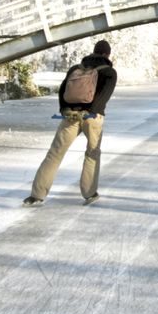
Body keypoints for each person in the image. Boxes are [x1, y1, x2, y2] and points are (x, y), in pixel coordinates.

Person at [24, 39, 116, 206]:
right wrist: (91, 111)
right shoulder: (109, 72)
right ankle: (89, 193)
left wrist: (64, 109)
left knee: (55, 153)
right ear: (107, 54)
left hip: (70, 116)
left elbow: (63, 90)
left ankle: (36, 195)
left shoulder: (76, 69)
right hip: (92, 118)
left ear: (93, 51)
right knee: (92, 153)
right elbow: (104, 96)